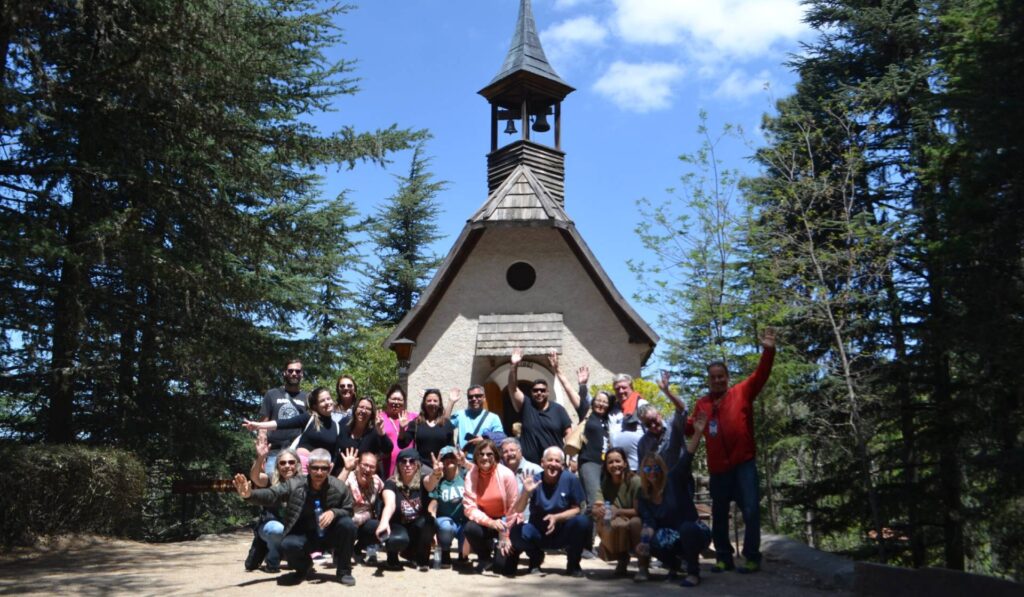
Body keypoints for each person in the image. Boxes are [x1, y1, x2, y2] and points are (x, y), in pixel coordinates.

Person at [688, 328, 776, 574]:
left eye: (721, 376)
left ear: (727, 377)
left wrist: (768, 350)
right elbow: (689, 427)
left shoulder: (741, 392)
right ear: (708, 380)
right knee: (719, 514)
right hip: (719, 470)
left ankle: (751, 557)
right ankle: (724, 558)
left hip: (744, 464)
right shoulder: (702, 404)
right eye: (713, 377)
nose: (717, 380)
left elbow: (762, 374)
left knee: (750, 511)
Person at [233, 448, 358, 586]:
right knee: (288, 544)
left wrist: (334, 512)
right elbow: (272, 494)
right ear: (308, 468)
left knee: (348, 525)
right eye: (315, 468)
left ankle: (344, 572)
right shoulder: (295, 484)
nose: (319, 472)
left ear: (330, 468)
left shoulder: (339, 486)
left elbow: (348, 510)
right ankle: (303, 568)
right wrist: (249, 495)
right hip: (304, 536)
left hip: (328, 535)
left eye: (324, 468)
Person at [636, 412, 711, 587]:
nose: (652, 472)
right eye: (647, 470)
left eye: (655, 468)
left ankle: (693, 572)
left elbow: (688, 456)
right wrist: (644, 542)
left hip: (694, 531)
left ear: (662, 468)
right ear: (643, 473)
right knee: (651, 540)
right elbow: (649, 522)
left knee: (687, 528)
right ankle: (674, 565)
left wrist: (698, 433)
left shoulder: (674, 478)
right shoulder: (644, 494)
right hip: (671, 536)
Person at [509, 446, 593, 578]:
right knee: (516, 532)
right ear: (542, 462)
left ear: (562, 464)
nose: (553, 464)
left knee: (583, 522)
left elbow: (577, 509)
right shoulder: (534, 480)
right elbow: (518, 510)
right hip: (538, 531)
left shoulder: (571, 479)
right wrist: (526, 492)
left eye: (557, 461)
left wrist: (557, 517)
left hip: (563, 531)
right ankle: (535, 560)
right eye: (550, 460)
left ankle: (573, 564)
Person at [244, 386, 341, 474]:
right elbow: (282, 423)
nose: (327, 402)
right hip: (302, 469)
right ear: (315, 406)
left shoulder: (336, 427)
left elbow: (334, 454)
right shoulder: (309, 418)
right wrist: (258, 425)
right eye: (322, 401)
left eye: (328, 399)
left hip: (321, 471)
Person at [462, 439, 520, 574]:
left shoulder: (507, 474)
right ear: (476, 457)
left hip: (506, 522)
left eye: (489, 454)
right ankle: (484, 557)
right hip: (486, 522)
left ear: (496, 456)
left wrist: (506, 534)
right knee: (470, 528)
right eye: (481, 454)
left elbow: (513, 508)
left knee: (502, 569)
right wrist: (490, 522)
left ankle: (502, 552)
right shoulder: (471, 475)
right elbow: (469, 508)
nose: (485, 458)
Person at [244, 436, 300, 573]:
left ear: (297, 464)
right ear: (277, 466)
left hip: (292, 531)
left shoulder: (304, 483)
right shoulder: (270, 480)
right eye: (283, 463)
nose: (287, 466)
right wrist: (261, 458)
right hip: (271, 527)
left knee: (300, 565)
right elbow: (255, 477)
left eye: (291, 462)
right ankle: (271, 560)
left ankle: (286, 553)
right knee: (276, 530)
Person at [507, 348, 573, 465]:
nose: (539, 393)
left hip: (554, 464)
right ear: (531, 393)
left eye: (542, 390)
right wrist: (513, 366)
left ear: (548, 392)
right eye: (535, 390)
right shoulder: (526, 405)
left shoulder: (558, 410)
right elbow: (513, 388)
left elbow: (568, 432)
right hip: (530, 466)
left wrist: (570, 456)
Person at [376, 447, 438, 571]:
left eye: (412, 461)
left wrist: (435, 474)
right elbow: (390, 504)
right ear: (398, 465)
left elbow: (430, 484)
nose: (407, 465)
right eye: (403, 461)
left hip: (415, 526)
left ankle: (420, 558)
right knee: (398, 539)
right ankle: (392, 557)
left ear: (418, 465)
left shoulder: (423, 480)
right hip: (398, 525)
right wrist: (383, 523)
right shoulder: (391, 483)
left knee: (429, 522)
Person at [591, 447, 642, 576]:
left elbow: (638, 510)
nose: (614, 465)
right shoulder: (605, 483)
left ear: (625, 463)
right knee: (605, 522)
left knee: (633, 523)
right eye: (610, 462)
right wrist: (598, 510)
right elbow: (597, 505)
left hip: (635, 519)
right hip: (616, 520)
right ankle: (621, 559)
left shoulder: (635, 481)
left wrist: (618, 511)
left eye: (618, 461)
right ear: (606, 466)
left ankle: (643, 565)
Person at [257, 359, 308, 475]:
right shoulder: (272, 394)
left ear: (302, 374)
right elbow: (262, 427)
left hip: (297, 453)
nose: (294, 373)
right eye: (290, 370)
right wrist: (261, 457)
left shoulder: (307, 398)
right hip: (274, 452)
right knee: (273, 487)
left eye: (297, 371)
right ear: (284, 373)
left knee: (298, 489)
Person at [399, 388, 455, 491]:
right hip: (421, 471)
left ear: (440, 404)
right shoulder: (416, 423)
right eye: (429, 400)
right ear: (424, 403)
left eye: (435, 401)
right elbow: (402, 443)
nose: (432, 403)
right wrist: (402, 428)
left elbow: (451, 450)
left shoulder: (447, 424)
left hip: (441, 471)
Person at [636, 371, 691, 470]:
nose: (652, 425)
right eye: (648, 424)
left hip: (680, 482)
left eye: (654, 420)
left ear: (659, 415)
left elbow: (682, 409)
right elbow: (643, 470)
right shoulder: (643, 443)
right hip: (658, 484)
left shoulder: (674, 426)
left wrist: (667, 391)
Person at [337, 450, 384, 562]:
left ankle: (357, 549)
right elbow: (335, 490)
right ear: (357, 465)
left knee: (380, 526)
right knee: (346, 525)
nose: (368, 469)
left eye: (372, 467)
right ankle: (339, 551)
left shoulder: (376, 481)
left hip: (364, 522)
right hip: (346, 521)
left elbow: (388, 492)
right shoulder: (349, 478)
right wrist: (346, 469)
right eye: (365, 465)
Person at [428, 445, 467, 567]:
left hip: (463, 520)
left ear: (458, 459)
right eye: (445, 458)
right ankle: (445, 551)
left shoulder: (466, 476)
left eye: (452, 456)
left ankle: (463, 553)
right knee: (446, 526)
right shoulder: (438, 480)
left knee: (469, 527)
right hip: (446, 520)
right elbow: (433, 504)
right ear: (441, 462)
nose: (449, 459)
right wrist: (432, 525)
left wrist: (465, 462)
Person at [338, 396, 393, 478]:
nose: (363, 411)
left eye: (368, 409)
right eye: (361, 407)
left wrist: (381, 432)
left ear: (372, 413)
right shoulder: (344, 424)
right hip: (344, 473)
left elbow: (388, 449)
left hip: (366, 477)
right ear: (355, 408)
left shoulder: (375, 430)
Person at [450, 385, 503, 460]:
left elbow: (500, 437)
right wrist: (451, 402)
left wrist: (484, 439)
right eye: (470, 397)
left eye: (478, 396)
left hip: (484, 462)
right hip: (463, 461)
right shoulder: (460, 415)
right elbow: (444, 426)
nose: (474, 399)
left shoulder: (493, 417)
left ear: (484, 398)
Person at [608, 373, 648, 471]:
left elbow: (651, 429)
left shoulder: (641, 405)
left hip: (639, 466)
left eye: (624, 387)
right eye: (617, 389)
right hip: (618, 468)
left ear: (631, 387)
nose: (621, 391)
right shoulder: (613, 409)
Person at [378, 384, 418, 478]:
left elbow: (435, 421)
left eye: (399, 399)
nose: (396, 402)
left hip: (408, 468)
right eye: (393, 399)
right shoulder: (380, 417)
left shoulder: (413, 417)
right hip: (386, 469)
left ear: (404, 402)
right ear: (387, 400)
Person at [498, 437, 541, 523]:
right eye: (505, 452)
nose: (509, 454)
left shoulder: (534, 470)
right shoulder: (499, 472)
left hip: (528, 521)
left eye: (512, 450)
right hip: (504, 521)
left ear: (520, 451)